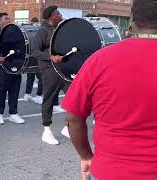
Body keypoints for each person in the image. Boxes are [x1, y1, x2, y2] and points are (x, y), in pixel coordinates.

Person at [62, 0, 157, 179]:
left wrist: (86, 157)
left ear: (132, 18)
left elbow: (73, 119)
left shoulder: (99, 60)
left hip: (110, 170)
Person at [32, 6, 69, 145]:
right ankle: (46, 131)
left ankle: (68, 127)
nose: (60, 15)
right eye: (58, 13)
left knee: (74, 97)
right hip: (48, 69)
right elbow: (35, 51)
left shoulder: (60, 29)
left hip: (63, 69)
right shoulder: (42, 31)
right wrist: (50, 57)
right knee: (49, 98)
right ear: (52, 16)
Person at [0, 13, 25, 125]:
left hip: (16, 65)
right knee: (2, 90)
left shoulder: (15, 33)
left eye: (9, 18)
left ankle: (13, 114)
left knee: (15, 89)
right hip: (2, 67)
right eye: (5, 18)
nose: (8, 20)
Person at [23, 17, 43, 105]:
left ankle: (27, 94)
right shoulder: (39, 30)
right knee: (41, 78)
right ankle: (39, 96)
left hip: (30, 57)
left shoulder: (29, 30)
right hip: (37, 58)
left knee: (30, 77)